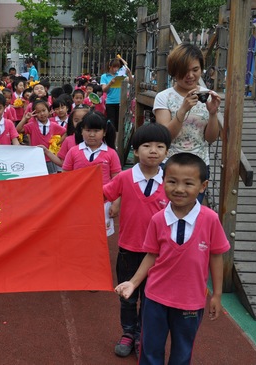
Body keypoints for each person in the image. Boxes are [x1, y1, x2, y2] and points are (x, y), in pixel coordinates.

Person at [115, 152, 230, 364]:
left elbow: (216, 256)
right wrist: (133, 282)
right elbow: (152, 255)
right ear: (163, 181)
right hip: (155, 298)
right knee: (150, 351)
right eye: (172, 182)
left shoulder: (210, 220)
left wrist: (217, 295)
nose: (178, 189)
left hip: (190, 302)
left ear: (202, 186)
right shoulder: (158, 219)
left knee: (182, 353)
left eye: (188, 183)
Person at [102, 123, 171, 358]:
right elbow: (103, 193)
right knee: (128, 295)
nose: (153, 150)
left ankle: (143, 334)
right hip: (129, 250)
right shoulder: (124, 177)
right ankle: (128, 333)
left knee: (152, 299)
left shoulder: (171, 182)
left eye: (160, 146)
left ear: (167, 152)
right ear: (135, 150)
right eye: (146, 145)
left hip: (160, 255)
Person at [153, 43, 221, 203]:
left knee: (192, 216)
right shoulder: (164, 97)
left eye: (195, 70)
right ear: (174, 72)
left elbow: (210, 138)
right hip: (170, 164)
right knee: (167, 213)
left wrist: (213, 113)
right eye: (184, 71)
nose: (190, 75)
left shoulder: (208, 96)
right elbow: (164, 137)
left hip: (199, 165)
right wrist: (182, 110)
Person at [62, 111, 121, 235]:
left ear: (104, 132)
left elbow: (117, 180)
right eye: (88, 130)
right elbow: (65, 176)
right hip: (77, 202)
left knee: (101, 236)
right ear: (82, 131)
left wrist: (116, 203)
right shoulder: (73, 152)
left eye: (96, 131)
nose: (92, 134)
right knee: (79, 234)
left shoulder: (111, 153)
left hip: (103, 204)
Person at [17, 99, 66, 174]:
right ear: (34, 114)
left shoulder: (53, 125)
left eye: (44, 110)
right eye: (38, 112)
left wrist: (57, 143)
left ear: (49, 111)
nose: (42, 114)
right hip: (36, 159)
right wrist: (25, 119)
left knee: (51, 179)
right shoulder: (32, 125)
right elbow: (18, 130)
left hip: (50, 159)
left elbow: (66, 132)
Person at [100, 58, 134, 132]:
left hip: (121, 102)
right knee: (111, 124)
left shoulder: (120, 75)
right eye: (114, 67)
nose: (115, 69)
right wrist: (110, 83)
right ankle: (112, 139)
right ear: (110, 66)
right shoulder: (104, 76)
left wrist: (129, 73)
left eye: (117, 67)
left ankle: (118, 141)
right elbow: (104, 89)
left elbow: (131, 82)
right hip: (110, 102)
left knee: (120, 123)